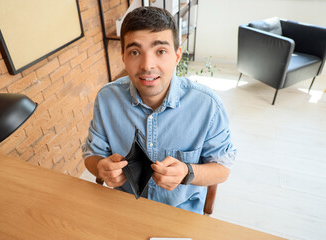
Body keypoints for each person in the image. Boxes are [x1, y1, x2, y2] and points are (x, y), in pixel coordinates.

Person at [82, 6, 236, 215]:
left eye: (161, 51)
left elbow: (222, 169)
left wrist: (187, 172)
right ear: (123, 57)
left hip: (181, 212)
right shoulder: (107, 98)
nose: (147, 65)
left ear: (177, 55)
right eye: (135, 52)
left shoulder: (208, 105)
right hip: (122, 208)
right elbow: (92, 154)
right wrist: (101, 166)